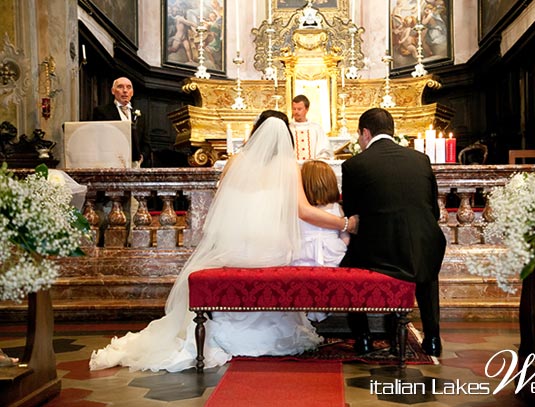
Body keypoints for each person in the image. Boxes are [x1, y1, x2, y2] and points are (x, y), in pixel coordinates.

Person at [89, 110, 356, 372]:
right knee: (290, 255)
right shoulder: (288, 166)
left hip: (235, 251)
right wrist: (346, 224)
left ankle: (222, 331)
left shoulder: (236, 161)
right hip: (272, 253)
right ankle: (267, 335)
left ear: (256, 131)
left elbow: (220, 206)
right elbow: (304, 211)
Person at [340, 108, 446, 357]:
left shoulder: (354, 165)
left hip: (378, 253)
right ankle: (432, 338)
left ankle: (363, 338)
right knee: (425, 257)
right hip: (422, 247)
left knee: (349, 261)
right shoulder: (420, 159)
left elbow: (353, 217)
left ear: (365, 133)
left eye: (359, 136)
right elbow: (434, 211)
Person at [291, 160, 349, 322]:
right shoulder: (337, 208)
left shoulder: (297, 209)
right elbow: (345, 237)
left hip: (301, 258)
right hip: (331, 259)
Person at [92, 77, 152, 168]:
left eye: (128, 87)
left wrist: (142, 157)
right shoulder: (102, 112)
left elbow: (146, 143)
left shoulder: (140, 115)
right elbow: (98, 141)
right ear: (113, 91)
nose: (125, 91)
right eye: (120, 87)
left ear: (132, 92)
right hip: (112, 164)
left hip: (136, 165)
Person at [290, 95, 333, 160]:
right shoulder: (288, 128)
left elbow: (324, 150)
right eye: (294, 109)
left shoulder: (316, 128)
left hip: (312, 168)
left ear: (307, 109)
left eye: (299, 109)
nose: (296, 112)